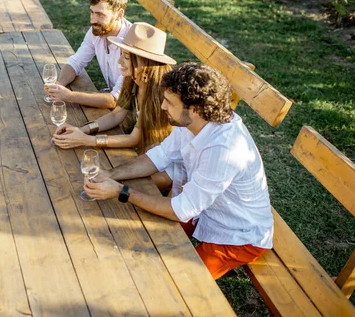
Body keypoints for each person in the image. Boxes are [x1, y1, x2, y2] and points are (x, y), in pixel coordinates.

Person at [83, 62, 273, 280]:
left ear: (194, 109)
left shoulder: (224, 149)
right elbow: (160, 156)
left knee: (178, 281)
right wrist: (111, 174)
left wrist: (122, 191)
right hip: (203, 211)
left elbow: (179, 210)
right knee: (135, 233)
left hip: (237, 234)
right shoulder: (194, 123)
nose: (163, 106)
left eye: (169, 102)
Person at [52, 22, 175, 155]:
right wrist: (83, 130)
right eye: (121, 54)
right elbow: (117, 114)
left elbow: (133, 139)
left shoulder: (158, 92)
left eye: (126, 57)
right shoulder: (133, 79)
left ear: (144, 63)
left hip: (161, 155)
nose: (119, 60)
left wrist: (87, 140)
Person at [45, 0, 132, 109]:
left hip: (132, 111)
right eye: (92, 12)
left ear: (119, 14)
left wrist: (70, 96)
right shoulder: (97, 30)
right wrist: (59, 86)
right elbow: (76, 62)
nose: (93, 20)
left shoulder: (131, 44)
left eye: (100, 14)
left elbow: (115, 99)